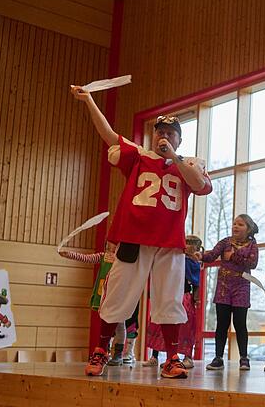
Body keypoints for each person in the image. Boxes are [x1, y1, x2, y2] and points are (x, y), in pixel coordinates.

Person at [71, 85, 212, 379]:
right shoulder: (138, 155)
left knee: (170, 300)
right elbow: (108, 135)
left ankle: (171, 358)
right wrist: (90, 101)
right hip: (133, 239)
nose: (164, 136)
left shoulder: (189, 164)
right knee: (117, 296)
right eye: (160, 131)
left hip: (169, 244)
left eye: (170, 133)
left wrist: (173, 156)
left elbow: (201, 186)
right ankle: (100, 350)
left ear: (179, 139)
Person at [201, 215, 259, 371]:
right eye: (234, 223)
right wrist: (199, 255)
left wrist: (232, 256)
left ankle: (244, 358)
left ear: (248, 228)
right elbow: (211, 255)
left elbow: (252, 264)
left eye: (240, 224)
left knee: (240, 324)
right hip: (223, 288)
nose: (235, 226)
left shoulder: (252, 244)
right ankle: (218, 358)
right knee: (222, 324)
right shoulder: (225, 242)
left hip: (241, 287)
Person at [145, 235, 204, 369]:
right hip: (168, 294)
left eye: (190, 244)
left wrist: (196, 297)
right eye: (186, 243)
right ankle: (155, 356)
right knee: (159, 323)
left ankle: (188, 357)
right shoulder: (174, 258)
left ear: (196, 248)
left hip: (184, 296)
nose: (187, 246)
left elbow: (196, 283)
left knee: (186, 327)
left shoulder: (193, 263)